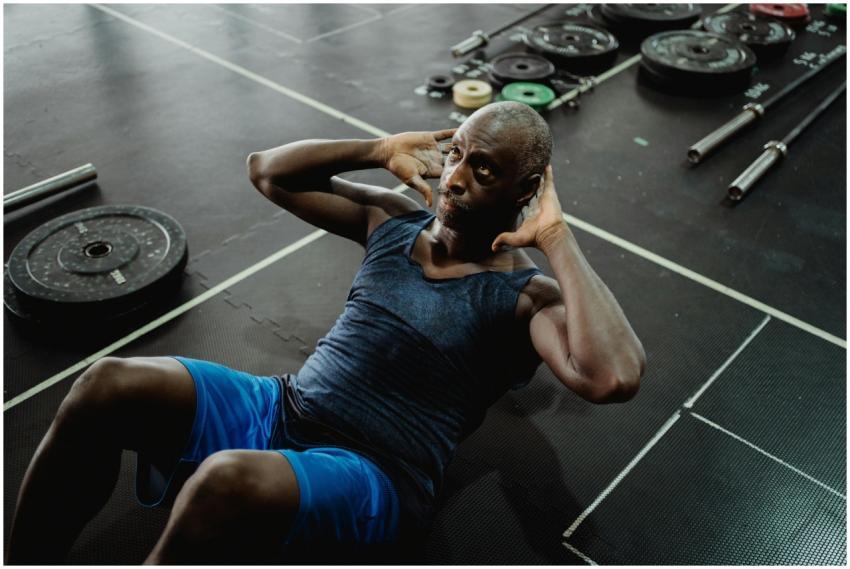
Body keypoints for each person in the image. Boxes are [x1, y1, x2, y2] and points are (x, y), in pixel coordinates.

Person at [7, 101, 645, 564]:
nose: (452, 178)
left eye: (482, 169)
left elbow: (610, 375)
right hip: (284, 406)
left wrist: (557, 237)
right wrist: (376, 149)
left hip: (376, 473)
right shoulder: (392, 219)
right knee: (106, 384)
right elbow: (267, 171)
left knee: (224, 483)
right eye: (455, 154)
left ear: (526, 191)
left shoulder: (525, 297)